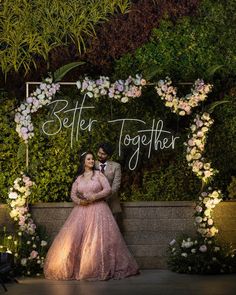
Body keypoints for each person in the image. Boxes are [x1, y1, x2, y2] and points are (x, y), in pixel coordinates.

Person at [44, 151, 139, 281]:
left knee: (97, 240)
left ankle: (95, 267)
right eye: (88, 159)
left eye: (92, 159)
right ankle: (79, 267)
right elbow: (73, 195)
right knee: (75, 240)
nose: (91, 161)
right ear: (83, 162)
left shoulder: (99, 175)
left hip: (99, 210)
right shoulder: (79, 178)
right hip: (81, 210)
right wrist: (80, 201)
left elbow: (107, 189)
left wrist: (94, 197)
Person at [95, 143, 122, 221]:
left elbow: (116, 186)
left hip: (112, 204)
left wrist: (104, 197)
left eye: (103, 154)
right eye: (99, 152)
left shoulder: (116, 166)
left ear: (108, 155)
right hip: (95, 205)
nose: (100, 155)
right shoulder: (93, 164)